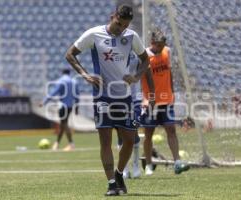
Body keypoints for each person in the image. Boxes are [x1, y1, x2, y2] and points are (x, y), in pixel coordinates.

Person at [65, 4, 154, 196]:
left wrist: (137, 76)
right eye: (118, 23)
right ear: (112, 16)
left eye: (124, 25)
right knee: (105, 140)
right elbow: (70, 54)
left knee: (130, 140)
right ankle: (112, 183)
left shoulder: (131, 36)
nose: (121, 28)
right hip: (102, 95)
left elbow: (146, 60)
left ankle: (119, 173)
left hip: (124, 96)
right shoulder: (94, 34)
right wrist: (85, 75)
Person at [141, 29, 190, 175]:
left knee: (171, 129)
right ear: (152, 43)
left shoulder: (167, 52)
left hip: (166, 100)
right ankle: (149, 164)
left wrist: (172, 93)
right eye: (159, 46)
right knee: (148, 133)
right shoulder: (143, 55)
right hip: (150, 102)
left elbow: (169, 75)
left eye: (163, 45)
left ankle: (177, 162)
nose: (161, 48)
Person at [116, 51, 142, 179]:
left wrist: (150, 94)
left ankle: (136, 165)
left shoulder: (136, 53)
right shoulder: (113, 52)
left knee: (133, 131)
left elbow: (146, 70)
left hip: (134, 99)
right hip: (117, 98)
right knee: (120, 133)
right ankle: (124, 169)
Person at [40, 69, 79, 151]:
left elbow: (53, 93)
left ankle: (71, 144)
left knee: (64, 124)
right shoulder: (74, 82)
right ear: (69, 73)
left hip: (63, 106)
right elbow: (77, 95)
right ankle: (57, 144)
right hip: (70, 106)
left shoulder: (61, 81)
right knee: (63, 125)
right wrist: (77, 108)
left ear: (62, 73)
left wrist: (44, 102)